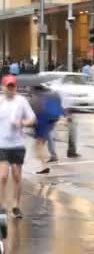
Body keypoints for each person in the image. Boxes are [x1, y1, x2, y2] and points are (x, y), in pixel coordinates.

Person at [0, 75, 36, 219]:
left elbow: (32, 118)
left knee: (16, 175)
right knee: (2, 176)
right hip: (2, 144)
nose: (11, 89)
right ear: (3, 87)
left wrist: (22, 123)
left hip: (17, 144)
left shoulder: (21, 101)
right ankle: (1, 206)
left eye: (13, 86)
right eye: (8, 86)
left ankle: (15, 205)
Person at [30, 86, 64, 173]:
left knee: (38, 145)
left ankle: (45, 165)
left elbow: (33, 111)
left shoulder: (37, 97)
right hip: (51, 122)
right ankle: (49, 159)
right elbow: (60, 108)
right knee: (45, 141)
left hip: (41, 122)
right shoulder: (53, 95)